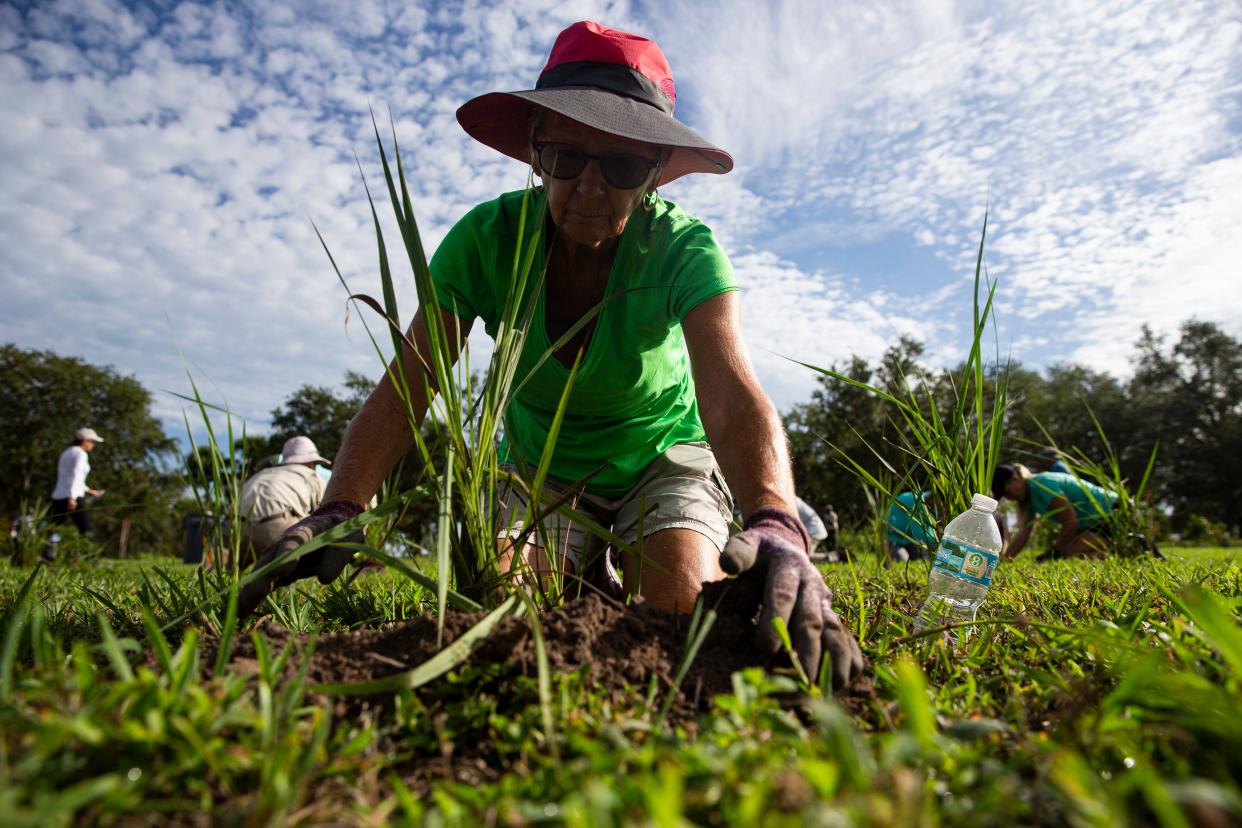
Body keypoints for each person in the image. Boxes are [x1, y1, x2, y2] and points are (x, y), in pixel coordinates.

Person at [238, 21, 863, 690]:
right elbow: (409, 383)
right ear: (537, 152)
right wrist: (342, 506)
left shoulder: (684, 249)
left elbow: (731, 390)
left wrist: (775, 519)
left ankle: (627, 564)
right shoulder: (488, 240)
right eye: (568, 157)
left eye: (621, 165)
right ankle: (588, 569)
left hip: (662, 456)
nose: (591, 188)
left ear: (654, 172)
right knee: (508, 612)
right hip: (542, 473)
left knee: (680, 602)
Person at [238, 436, 331, 564]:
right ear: (310, 463)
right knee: (325, 523)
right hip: (276, 531)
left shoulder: (262, 473)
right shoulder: (312, 475)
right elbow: (327, 511)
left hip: (235, 532)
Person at [992, 463, 1117, 560]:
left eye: (1007, 493)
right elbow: (1026, 531)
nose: (1009, 498)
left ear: (1016, 479)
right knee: (1070, 552)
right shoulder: (1030, 498)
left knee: (1068, 554)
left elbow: (1071, 521)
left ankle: (1119, 548)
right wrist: (1006, 558)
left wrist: (1055, 550)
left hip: (1113, 511)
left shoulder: (1042, 484)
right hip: (1093, 524)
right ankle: (1111, 549)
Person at [51, 427, 105, 536]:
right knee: (86, 529)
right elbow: (76, 475)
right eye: (93, 442)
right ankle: (87, 552)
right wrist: (72, 497)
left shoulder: (66, 453)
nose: (93, 445)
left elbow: (69, 477)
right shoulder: (81, 454)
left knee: (53, 527)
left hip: (59, 496)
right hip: (73, 497)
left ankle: (47, 551)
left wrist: (88, 490)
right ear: (85, 441)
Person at [886, 490, 937, 561]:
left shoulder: (931, 505)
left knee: (922, 557)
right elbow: (919, 534)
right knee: (904, 560)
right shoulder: (918, 503)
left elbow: (929, 530)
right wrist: (940, 540)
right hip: (894, 539)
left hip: (910, 540)